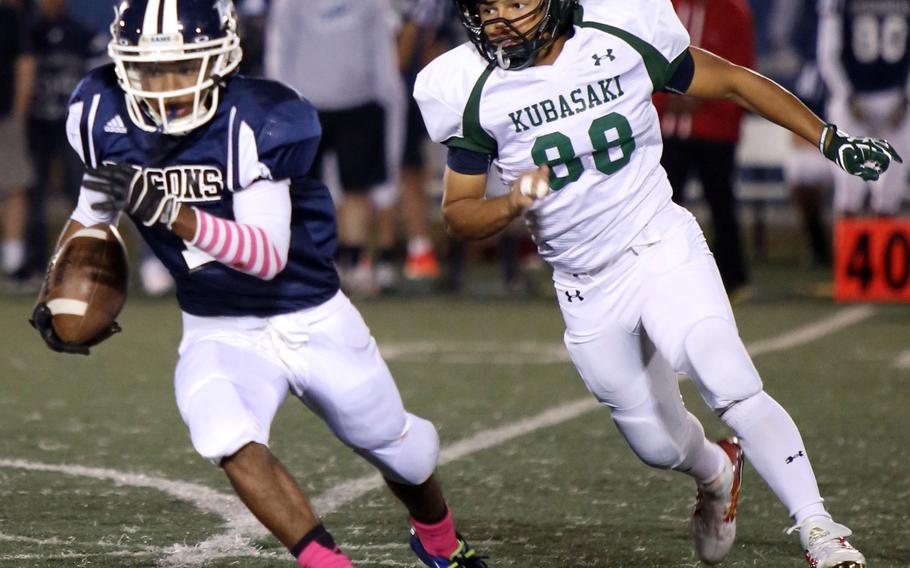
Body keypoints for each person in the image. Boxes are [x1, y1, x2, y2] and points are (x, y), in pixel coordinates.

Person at [414, 0, 899, 565]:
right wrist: (511, 203)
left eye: (516, 3)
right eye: (486, 7)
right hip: (584, 284)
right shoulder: (469, 84)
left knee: (728, 377)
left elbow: (736, 84)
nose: (499, 20)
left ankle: (822, 531)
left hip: (657, 243)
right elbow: (459, 213)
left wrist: (827, 139)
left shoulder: (620, 28)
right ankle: (717, 470)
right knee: (656, 444)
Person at [29, 2, 487, 567]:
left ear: (221, 57)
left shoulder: (259, 118)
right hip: (217, 325)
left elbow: (266, 256)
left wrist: (169, 211)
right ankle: (327, 563)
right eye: (148, 69)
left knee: (403, 451)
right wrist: (63, 284)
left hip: (308, 313)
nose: (165, 85)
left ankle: (439, 538)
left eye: (182, 66)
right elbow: (93, 210)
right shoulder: (101, 112)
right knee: (224, 432)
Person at [265, 0, 404, 297]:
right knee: (301, 191)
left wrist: (386, 94)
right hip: (305, 103)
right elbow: (279, 50)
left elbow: (380, 47)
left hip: (359, 101)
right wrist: (282, 102)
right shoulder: (288, 4)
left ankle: (353, 263)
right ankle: (308, 264)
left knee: (356, 189)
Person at [653, 0, 755, 299]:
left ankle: (733, 279)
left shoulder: (733, 10)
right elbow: (641, 60)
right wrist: (663, 98)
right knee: (661, 205)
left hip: (715, 128)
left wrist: (705, 97)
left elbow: (743, 68)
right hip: (666, 128)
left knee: (722, 202)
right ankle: (661, 277)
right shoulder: (660, 6)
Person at [22, 0, 96, 284]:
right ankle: (32, 264)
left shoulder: (81, 32)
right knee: (34, 197)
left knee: (80, 197)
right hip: (37, 126)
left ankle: (83, 264)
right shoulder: (29, 33)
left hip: (72, 128)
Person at [818, 0, 910, 216]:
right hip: (854, 96)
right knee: (849, 188)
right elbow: (828, 54)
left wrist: (906, 98)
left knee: (891, 190)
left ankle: (879, 248)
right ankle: (848, 247)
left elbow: (826, 54)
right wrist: (847, 95)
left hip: (895, 96)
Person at [0, 0, 36, 290]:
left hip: (4, 116)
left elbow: (24, 64)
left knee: (14, 187)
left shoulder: (8, 16)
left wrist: (19, 113)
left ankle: (13, 261)